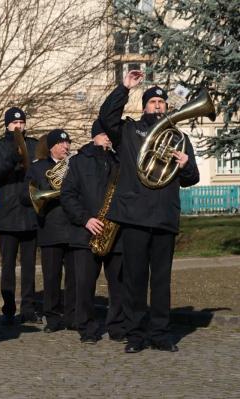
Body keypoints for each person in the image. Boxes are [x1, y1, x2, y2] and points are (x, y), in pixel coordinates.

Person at [99, 70, 199, 353]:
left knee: (161, 280)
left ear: (167, 107)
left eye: (161, 102)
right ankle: (136, 334)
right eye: (152, 102)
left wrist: (185, 164)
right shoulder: (130, 130)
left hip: (165, 216)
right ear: (144, 106)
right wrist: (124, 88)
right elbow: (106, 118)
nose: (157, 105)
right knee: (135, 278)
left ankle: (160, 333)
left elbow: (192, 179)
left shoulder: (178, 137)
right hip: (134, 216)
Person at [60, 119, 126, 344]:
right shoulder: (78, 162)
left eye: (110, 134)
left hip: (115, 233)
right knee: (84, 285)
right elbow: (68, 196)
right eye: (104, 133)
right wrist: (85, 219)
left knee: (118, 285)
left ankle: (117, 327)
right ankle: (87, 329)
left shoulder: (119, 161)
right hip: (85, 233)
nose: (108, 137)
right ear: (94, 135)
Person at [0, 107, 40, 326]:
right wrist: (14, 152)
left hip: (29, 212)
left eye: (21, 122)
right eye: (14, 123)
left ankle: (28, 308)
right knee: (7, 265)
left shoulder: (35, 145)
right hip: (8, 213)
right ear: (7, 125)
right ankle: (8, 308)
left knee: (29, 266)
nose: (18, 126)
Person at [24, 129, 75, 333]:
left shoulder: (74, 165)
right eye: (62, 143)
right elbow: (25, 195)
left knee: (74, 277)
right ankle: (52, 318)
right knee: (52, 277)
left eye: (68, 143)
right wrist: (47, 190)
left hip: (73, 226)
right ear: (52, 146)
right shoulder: (38, 168)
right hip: (50, 227)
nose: (66, 147)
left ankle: (72, 316)